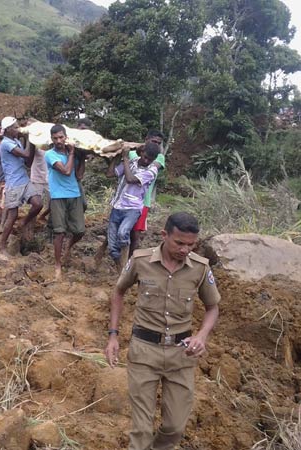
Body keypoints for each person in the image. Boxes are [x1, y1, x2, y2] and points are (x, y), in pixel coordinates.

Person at [104, 212, 220, 450]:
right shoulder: (140, 260)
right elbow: (118, 292)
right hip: (144, 352)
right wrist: (113, 336)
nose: (185, 249)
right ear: (164, 235)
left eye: (191, 244)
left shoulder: (200, 268)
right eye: (179, 243)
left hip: (181, 355)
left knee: (175, 427)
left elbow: (212, 308)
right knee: (141, 430)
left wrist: (201, 336)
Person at [105, 142, 161, 271]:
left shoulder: (151, 171)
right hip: (117, 205)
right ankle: (122, 270)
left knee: (123, 233)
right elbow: (110, 174)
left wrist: (125, 157)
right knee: (112, 247)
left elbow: (130, 179)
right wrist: (116, 156)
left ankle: (126, 266)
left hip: (132, 209)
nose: (146, 161)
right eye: (145, 157)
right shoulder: (132, 162)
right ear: (142, 152)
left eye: (150, 159)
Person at [44, 124, 85, 280]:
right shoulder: (50, 154)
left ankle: (68, 247)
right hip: (58, 196)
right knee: (59, 232)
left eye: (61, 137)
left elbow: (79, 175)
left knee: (80, 230)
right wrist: (73, 154)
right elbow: (67, 172)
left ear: (66, 137)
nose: (59, 141)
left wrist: (81, 158)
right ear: (52, 139)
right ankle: (57, 265)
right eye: (55, 138)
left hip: (74, 194)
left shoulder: (71, 154)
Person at [0, 116, 42, 255]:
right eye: (16, 127)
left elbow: (28, 161)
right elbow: (27, 154)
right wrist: (30, 136)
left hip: (23, 180)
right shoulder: (5, 143)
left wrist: (30, 140)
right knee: (12, 216)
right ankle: (2, 245)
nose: (18, 129)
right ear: (9, 130)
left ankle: (23, 222)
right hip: (14, 184)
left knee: (38, 204)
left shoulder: (15, 141)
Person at [129, 130, 166, 254]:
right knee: (116, 227)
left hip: (143, 202)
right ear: (146, 139)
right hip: (125, 198)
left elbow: (148, 166)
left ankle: (130, 261)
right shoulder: (133, 152)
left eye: (158, 143)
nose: (156, 145)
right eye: (153, 141)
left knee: (135, 234)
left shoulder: (159, 157)